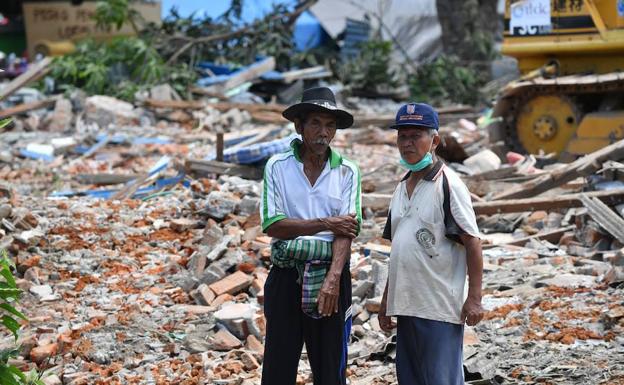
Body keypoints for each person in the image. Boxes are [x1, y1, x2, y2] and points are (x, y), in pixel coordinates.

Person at [260, 86, 362, 385]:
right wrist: (327, 222)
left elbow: (348, 231)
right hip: (286, 275)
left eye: (330, 125)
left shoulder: (347, 171)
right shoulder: (278, 167)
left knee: (330, 368)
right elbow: (273, 224)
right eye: (316, 123)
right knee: (279, 365)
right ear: (299, 126)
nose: (323, 133)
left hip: (331, 276)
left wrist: (333, 278)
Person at [378, 102, 484, 385]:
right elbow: (399, 247)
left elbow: (472, 242)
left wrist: (474, 298)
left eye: (416, 136)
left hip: (438, 307)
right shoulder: (401, 187)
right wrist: (387, 299)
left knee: (441, 380)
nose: (408, 143)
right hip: (407, 305)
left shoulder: (448, 185)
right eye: (403, 136)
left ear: (434, 140)